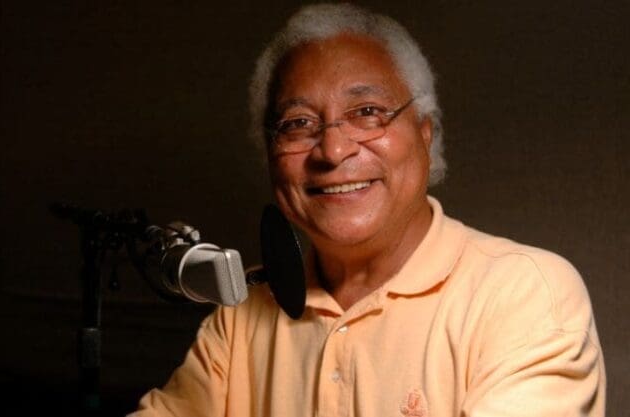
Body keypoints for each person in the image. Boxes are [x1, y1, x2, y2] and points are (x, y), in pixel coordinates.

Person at [131, 3, 605, 416]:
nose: (332, 150)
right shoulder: (242, 312)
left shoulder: (525, 294)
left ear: (425, 133)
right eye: (298, 124)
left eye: (366, 112)